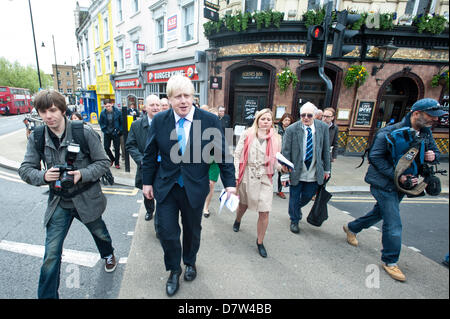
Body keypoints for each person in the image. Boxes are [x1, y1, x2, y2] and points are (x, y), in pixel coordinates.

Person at [142, 75, 236, 297]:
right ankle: (174, 270)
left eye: (187, 96)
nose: (183, 101)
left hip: (195, 187)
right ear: (170, 99)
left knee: (192, 230)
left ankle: (190, 262)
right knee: (167, 231)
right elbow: (149, 154)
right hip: (166, 186)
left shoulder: (210, 121)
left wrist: (230, 184)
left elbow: (223, 155)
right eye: (177, 97)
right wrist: (147, 182)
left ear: (193, 97)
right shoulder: (160, 120)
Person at [18, 90, 116, 299]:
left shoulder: (83, 133)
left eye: (52, 110)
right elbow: (25, 169)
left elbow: (103, 163)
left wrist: (81, 174)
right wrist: (44, 176)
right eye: (43, 111)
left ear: (62, 110)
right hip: (59, 202)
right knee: (51, 254)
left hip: (86, 199)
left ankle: (108, 254)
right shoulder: (37, 136)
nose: (48, 116)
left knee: (100, 233)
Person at [343, 98, 446, 282]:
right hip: (383, 183)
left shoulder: (426, 132)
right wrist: (397, 176)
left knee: (380, 213)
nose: (434, 120)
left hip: (404, 185)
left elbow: (434, 152)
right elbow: (375, 157)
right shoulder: (389, 131)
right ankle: (390, 261)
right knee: (394, 222)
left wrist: (433, 156)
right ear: (416, 114)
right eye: (430, 116)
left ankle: (352, 227)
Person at [233, 108, 282, 258]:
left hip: (265, 177)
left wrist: (283, 168)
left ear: (271, 122)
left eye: (268, 119)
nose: (265, 122)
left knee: (264, 211)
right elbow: (237, 155)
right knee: (243, 205)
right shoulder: (247, 134)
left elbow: (277, 160)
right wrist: (236, 175)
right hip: (247, 174)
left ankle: (260, 242)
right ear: (257, 120)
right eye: (263, 119)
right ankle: (238, 219)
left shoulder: (277, 138)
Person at [281, 102, 330, 234]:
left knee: (308, 196)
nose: (306, 118)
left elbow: (326, 150)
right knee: (294, 196)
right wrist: (284, 175)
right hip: (296, 171)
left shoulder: (323, 128)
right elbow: (285, 153)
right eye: (303, 115)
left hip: (314, 171)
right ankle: (295, 220)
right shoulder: (291, 129)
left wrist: (327, 170)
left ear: (314, 115)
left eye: (309, 115)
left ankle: (294, 209)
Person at [126, 95, 161, 222]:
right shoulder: (136, 125)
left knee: (163, 200)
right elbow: (130, 145)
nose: (155, 108)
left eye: (158, 105)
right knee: (148, 193)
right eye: (152, 105)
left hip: (162, 167)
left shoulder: (167, 123)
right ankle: (149, 210)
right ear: (145, 107)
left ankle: (159, 227)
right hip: (145, 166)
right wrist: (142, 160)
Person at [202, 105, 220, 218]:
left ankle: (206, 207)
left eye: (217, 117)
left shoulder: (221, 130)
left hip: (215, 161)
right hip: (201, 160)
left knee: (210, 184)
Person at [99, 100, 123, 169]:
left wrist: (119, 130)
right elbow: (101, 123)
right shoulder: (103, 113)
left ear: (112, 104)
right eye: (106, 106)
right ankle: (112, 159)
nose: (108, 108)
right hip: (107, 133)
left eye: (109, 106)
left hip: (115, 132)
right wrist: (104, 130)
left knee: (117, 149)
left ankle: (117, 163)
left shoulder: (117, 112)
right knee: (106, 147)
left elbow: (122, 122)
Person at [276, 112, 294, 199]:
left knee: (283, 172)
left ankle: (280, 190)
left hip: (286, 153)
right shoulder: (277, 129)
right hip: (277, 152)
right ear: (282, 120)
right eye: (285, 120)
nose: (287, 122)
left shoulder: (292, 130)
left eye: (288, 120)